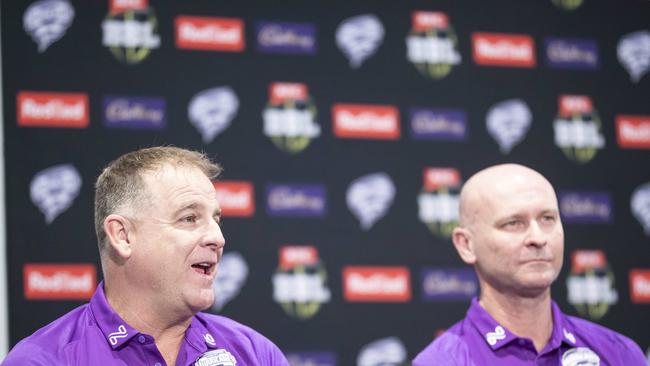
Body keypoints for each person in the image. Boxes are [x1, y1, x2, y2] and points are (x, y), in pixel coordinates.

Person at [3, 146, 289, 365]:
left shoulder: (256, 354)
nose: (218, 238)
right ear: (122, 236)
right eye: (189, 218)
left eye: (216, 219)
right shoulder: (43, 360)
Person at [413, 164, 647, 366]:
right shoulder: (442, 361)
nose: (538, 237)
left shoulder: (618, 353)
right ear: (466, 245)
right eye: (513, 223)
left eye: (547, 219)